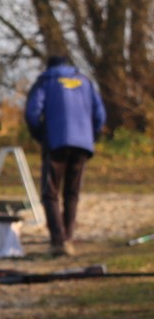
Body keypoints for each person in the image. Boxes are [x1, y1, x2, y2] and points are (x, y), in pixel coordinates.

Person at [25, 54, 105, 256]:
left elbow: (32, 112)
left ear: (48, 66)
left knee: (50, 193)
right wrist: (91, 136)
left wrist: (40, 135)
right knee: (72, 193)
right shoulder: (85, 81)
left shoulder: (46, 81)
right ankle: (68, 237)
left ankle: (58, 242)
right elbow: (100, 115)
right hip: (82, 145)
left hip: (56, 143)